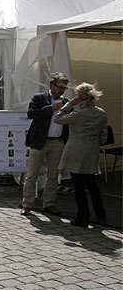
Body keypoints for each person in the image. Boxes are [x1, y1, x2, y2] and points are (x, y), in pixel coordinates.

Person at [54, 83, 108, 227]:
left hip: (76, 150)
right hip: (91, 150)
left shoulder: (78, 114)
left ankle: (83, 217)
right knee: (91, 183)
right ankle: (100, 211)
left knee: (79, 185)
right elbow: (104, 136)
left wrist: (69, 105)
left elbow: (58, 118)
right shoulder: (101, 113)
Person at [21, 72, 70, 216]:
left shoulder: (66, 102)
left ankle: (49, 203)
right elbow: (31, 114)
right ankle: (27, 204)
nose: (61, 90)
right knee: (32, 174)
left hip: (57, 141)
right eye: (60, 87)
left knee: (53, 174)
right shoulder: (39, 98)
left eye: (64, 88)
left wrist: (64, 138)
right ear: (51, 85)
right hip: (40, 141)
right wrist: (51, 109)